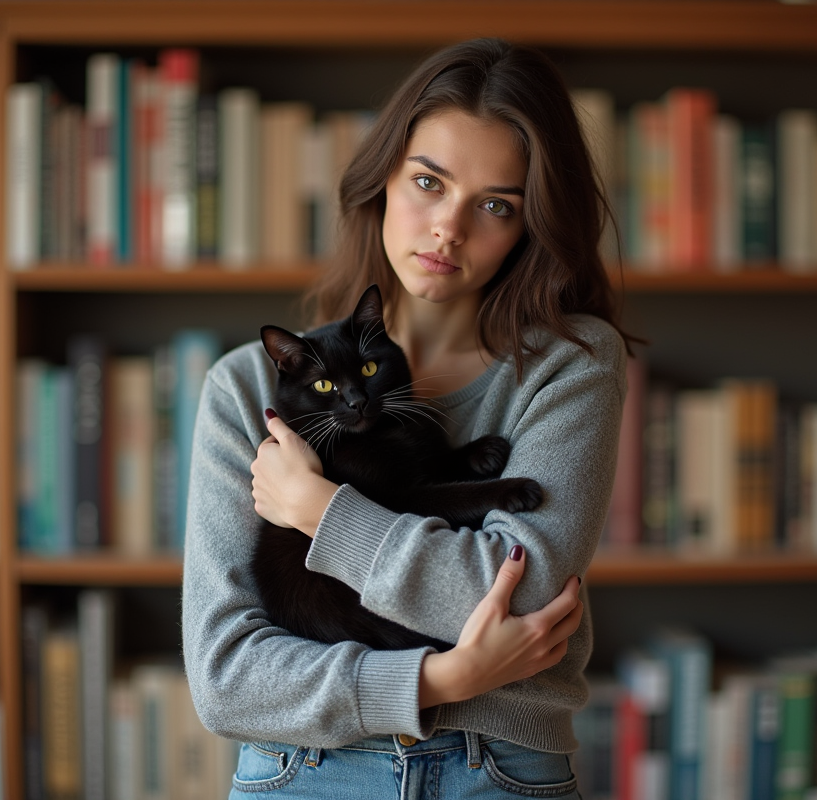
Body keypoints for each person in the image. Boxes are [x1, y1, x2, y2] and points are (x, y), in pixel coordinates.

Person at [182, 37, 631, 798]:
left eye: (495, 205)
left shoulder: (570, 361)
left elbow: (518, 593)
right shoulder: (243, 388)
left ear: (531, 224)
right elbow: (227, 678)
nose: (447, 229)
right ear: (383, 179)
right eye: (429, 181)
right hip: (302, 770)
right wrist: (442, 676)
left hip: (497, 772)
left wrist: (320, 509)